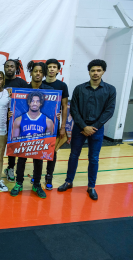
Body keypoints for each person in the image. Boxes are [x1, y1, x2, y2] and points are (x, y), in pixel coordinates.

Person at [58, 59, 116, 200]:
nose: (95, 73)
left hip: (97, 129)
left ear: (103, 71)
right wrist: (84, 126)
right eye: (93, 70)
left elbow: (109, 111)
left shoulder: (110, 89)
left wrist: (93, 127)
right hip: (79, 128)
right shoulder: (79, 88)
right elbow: (75, 109)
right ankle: (69, 181)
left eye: (98, 70)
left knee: (94, 158)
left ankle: (91, 186)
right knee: (73, 155)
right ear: (89, 72)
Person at [9, 61, 57, 199]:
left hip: (40, 140)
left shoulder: (49, 92)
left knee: (39, 161)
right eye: (35, 71)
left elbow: (48, 143)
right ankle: (18, 183)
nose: (38, 74)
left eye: (40, 72)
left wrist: (56, 115)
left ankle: (36, 184)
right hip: (24, 141)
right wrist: (10, 115)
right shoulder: (24, 88)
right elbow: (15, 142)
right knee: (21, 161)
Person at [42, 58, 69, 190]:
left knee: (52, 151)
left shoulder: (62, 86)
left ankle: (49, 176)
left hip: (54, 124)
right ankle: (36, 175)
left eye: (54, 67)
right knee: (38, 149)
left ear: (58, 70)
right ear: (45, 69)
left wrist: (63, 126)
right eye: (49, 66)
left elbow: (64, 107)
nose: (52, 69)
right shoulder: (39, 84)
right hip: (39, 124)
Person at [3, 58, 28, 182]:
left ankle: (11, 168)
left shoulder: (22, 83)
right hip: (0, 119)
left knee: (14, 145)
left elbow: (27, 103)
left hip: (16, 120)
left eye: (12, 66)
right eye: (7, 66)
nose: (9, 68)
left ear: (16, 68)